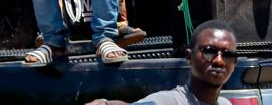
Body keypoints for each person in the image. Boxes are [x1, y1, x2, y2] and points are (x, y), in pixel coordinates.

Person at [87, 20, 238, 105]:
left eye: (228, 54)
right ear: (189, 57)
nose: (219, 60)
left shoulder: (225, 103)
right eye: (209, 51)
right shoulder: (170, 101)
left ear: (235, 63)